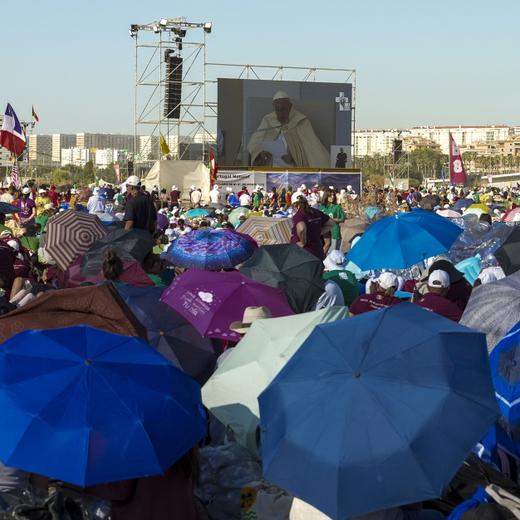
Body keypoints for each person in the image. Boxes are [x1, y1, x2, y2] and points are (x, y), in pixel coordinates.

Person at [247, 91, 330, 168]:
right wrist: (261, 154)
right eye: (277, 109)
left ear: (290, 106)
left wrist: (294, 156)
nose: (280, 114)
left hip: (294, 170)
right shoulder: (268, 120)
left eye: (283, 109)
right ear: (273, 107)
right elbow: (254, 144)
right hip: (271, 168)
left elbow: (312, 150)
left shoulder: (301, 121)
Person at [291, 196, 334, 260]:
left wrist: (303, 242)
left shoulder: (299, 214)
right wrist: (318, 232)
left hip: (305, 252)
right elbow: (331, 223)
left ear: (295, 205)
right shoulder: (316, 211)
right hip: (317, 250)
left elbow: (302, 228)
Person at [319, 188, 346, 253]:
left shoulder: (337, 207)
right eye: (330, 195)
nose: (332, 197)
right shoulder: (322, 207)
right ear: (326, 196)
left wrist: (330, 219)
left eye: (333, 195)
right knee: (323, 253)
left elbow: (342, 219)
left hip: (334, 233)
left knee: (333, 255)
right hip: (323, 234)